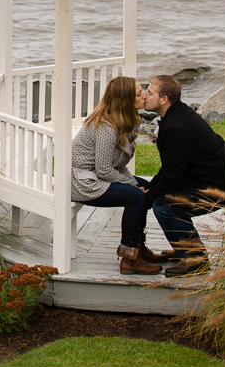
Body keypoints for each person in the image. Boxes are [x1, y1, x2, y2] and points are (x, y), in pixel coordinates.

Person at [71, 76, 166, 275]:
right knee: (136, 196)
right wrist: (132, 184)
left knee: (147, 188)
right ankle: (129, 259)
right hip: (83, 181)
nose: (144, 96)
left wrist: (133, 182)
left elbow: (115, 165)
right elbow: (104, 170)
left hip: (97, 176)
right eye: (139, 94)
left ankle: (138, 248)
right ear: (125, 100)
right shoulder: (107, 126)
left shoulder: (125, 120)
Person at [142, 75, 225, 277]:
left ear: (164, 99)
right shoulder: (175, 116)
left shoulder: (176, 127)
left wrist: (149, 196)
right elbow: (171, 166)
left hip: (221, 185)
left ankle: (194, 258)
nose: (145, 96)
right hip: (206, 178)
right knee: (159, 198)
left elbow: (173, 177)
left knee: (164, 207)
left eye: (150, 92)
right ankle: (186, 248)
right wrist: (151, 187)